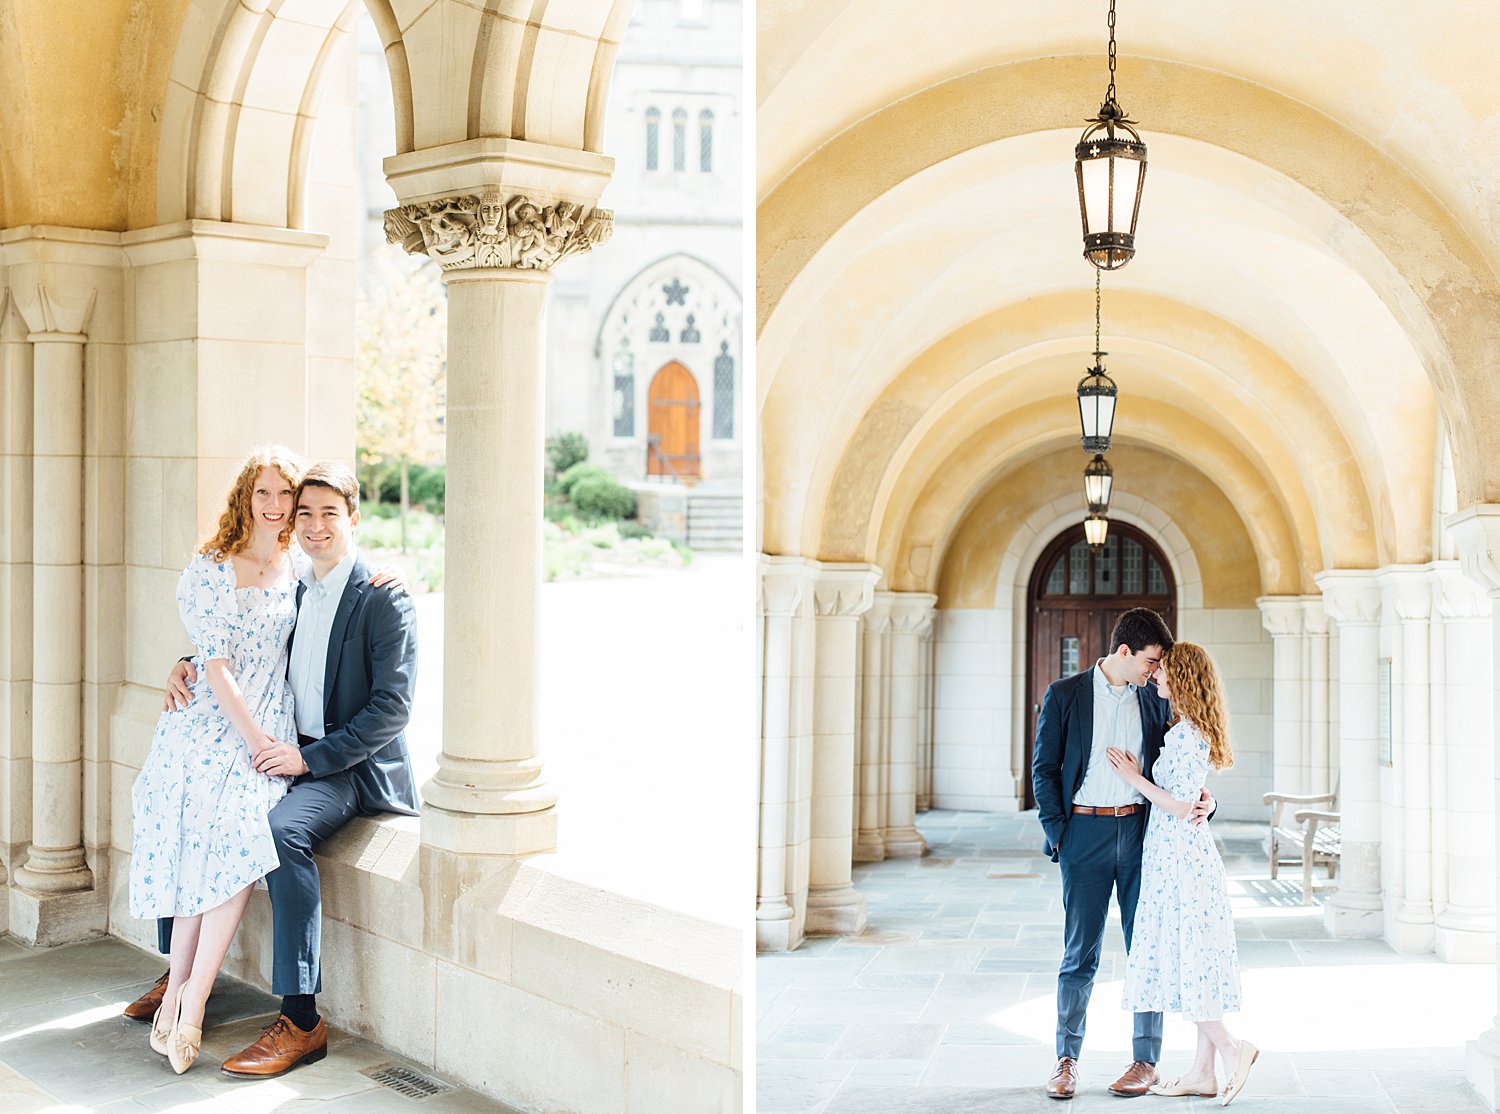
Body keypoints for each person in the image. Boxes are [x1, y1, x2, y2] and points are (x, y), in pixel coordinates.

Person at [124, 460, 420, 1078]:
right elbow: (246, 641)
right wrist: (188, 660)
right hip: (282, 741)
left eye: (325, 512)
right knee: (187, 792)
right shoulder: (299, 584)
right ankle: (180, 973)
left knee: (276, 832)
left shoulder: (383, 596)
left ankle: (301, 1018)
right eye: (302, 510)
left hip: (342, 763)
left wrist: (309, 757)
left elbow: (391, 709)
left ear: (353, 518)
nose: (310, 523)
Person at [128, 448, 305, 1073]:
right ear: (245, 496)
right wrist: (253, 737)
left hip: (270, 716)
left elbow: (342, 591)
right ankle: (179, 990)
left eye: (286, 494)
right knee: (198, 829)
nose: (276, 505)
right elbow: (216, 663)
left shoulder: (298, 564)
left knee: (237, 829)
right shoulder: (210, 565)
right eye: (265, 492)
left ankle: (191, 998)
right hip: (215, 720)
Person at [1031, 607, 1215, 1101]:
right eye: (1152, 661)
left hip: (1142, 837)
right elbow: (1044, 770)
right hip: (1083, 837)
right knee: (1079, 955)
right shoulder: (1065, 694)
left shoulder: (1155, 702)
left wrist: (1207, 802)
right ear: (1125, 652)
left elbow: (1186, 761)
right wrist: (1060, 836)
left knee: (1147, 951)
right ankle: (1066, 1059)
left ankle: (1145, 1061)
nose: (1157, 672)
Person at [1108, 642, 1258, 1107]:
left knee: (1187, 958)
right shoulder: (1184, 731)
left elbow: (1178, 805)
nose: (1156, 677)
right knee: (1193, 959)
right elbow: (1193, 797)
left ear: (1183, 678)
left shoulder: (1188, 735)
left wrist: (1133, 777)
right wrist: (1203, 800)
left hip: (1181, 859)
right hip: (1172, 853)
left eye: (1164, 671)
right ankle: (1201, 1073)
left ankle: (1234, 1050)